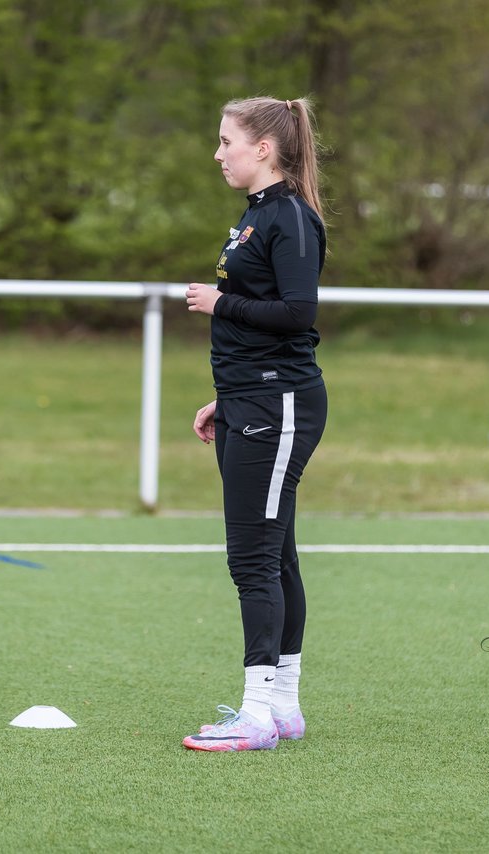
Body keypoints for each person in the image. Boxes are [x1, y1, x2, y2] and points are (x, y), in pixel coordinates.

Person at [182, 96, 328, 751]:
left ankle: (257, 717)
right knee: (277, 558)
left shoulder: (292, 216)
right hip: (251, 402)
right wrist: (228, 395)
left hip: (279, 405)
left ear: (263, 148)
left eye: (226, 141)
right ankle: (283, 708)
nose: (218, 154)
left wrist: (221, 303)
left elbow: (297, 314)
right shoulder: (258, 215)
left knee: (254, 562)